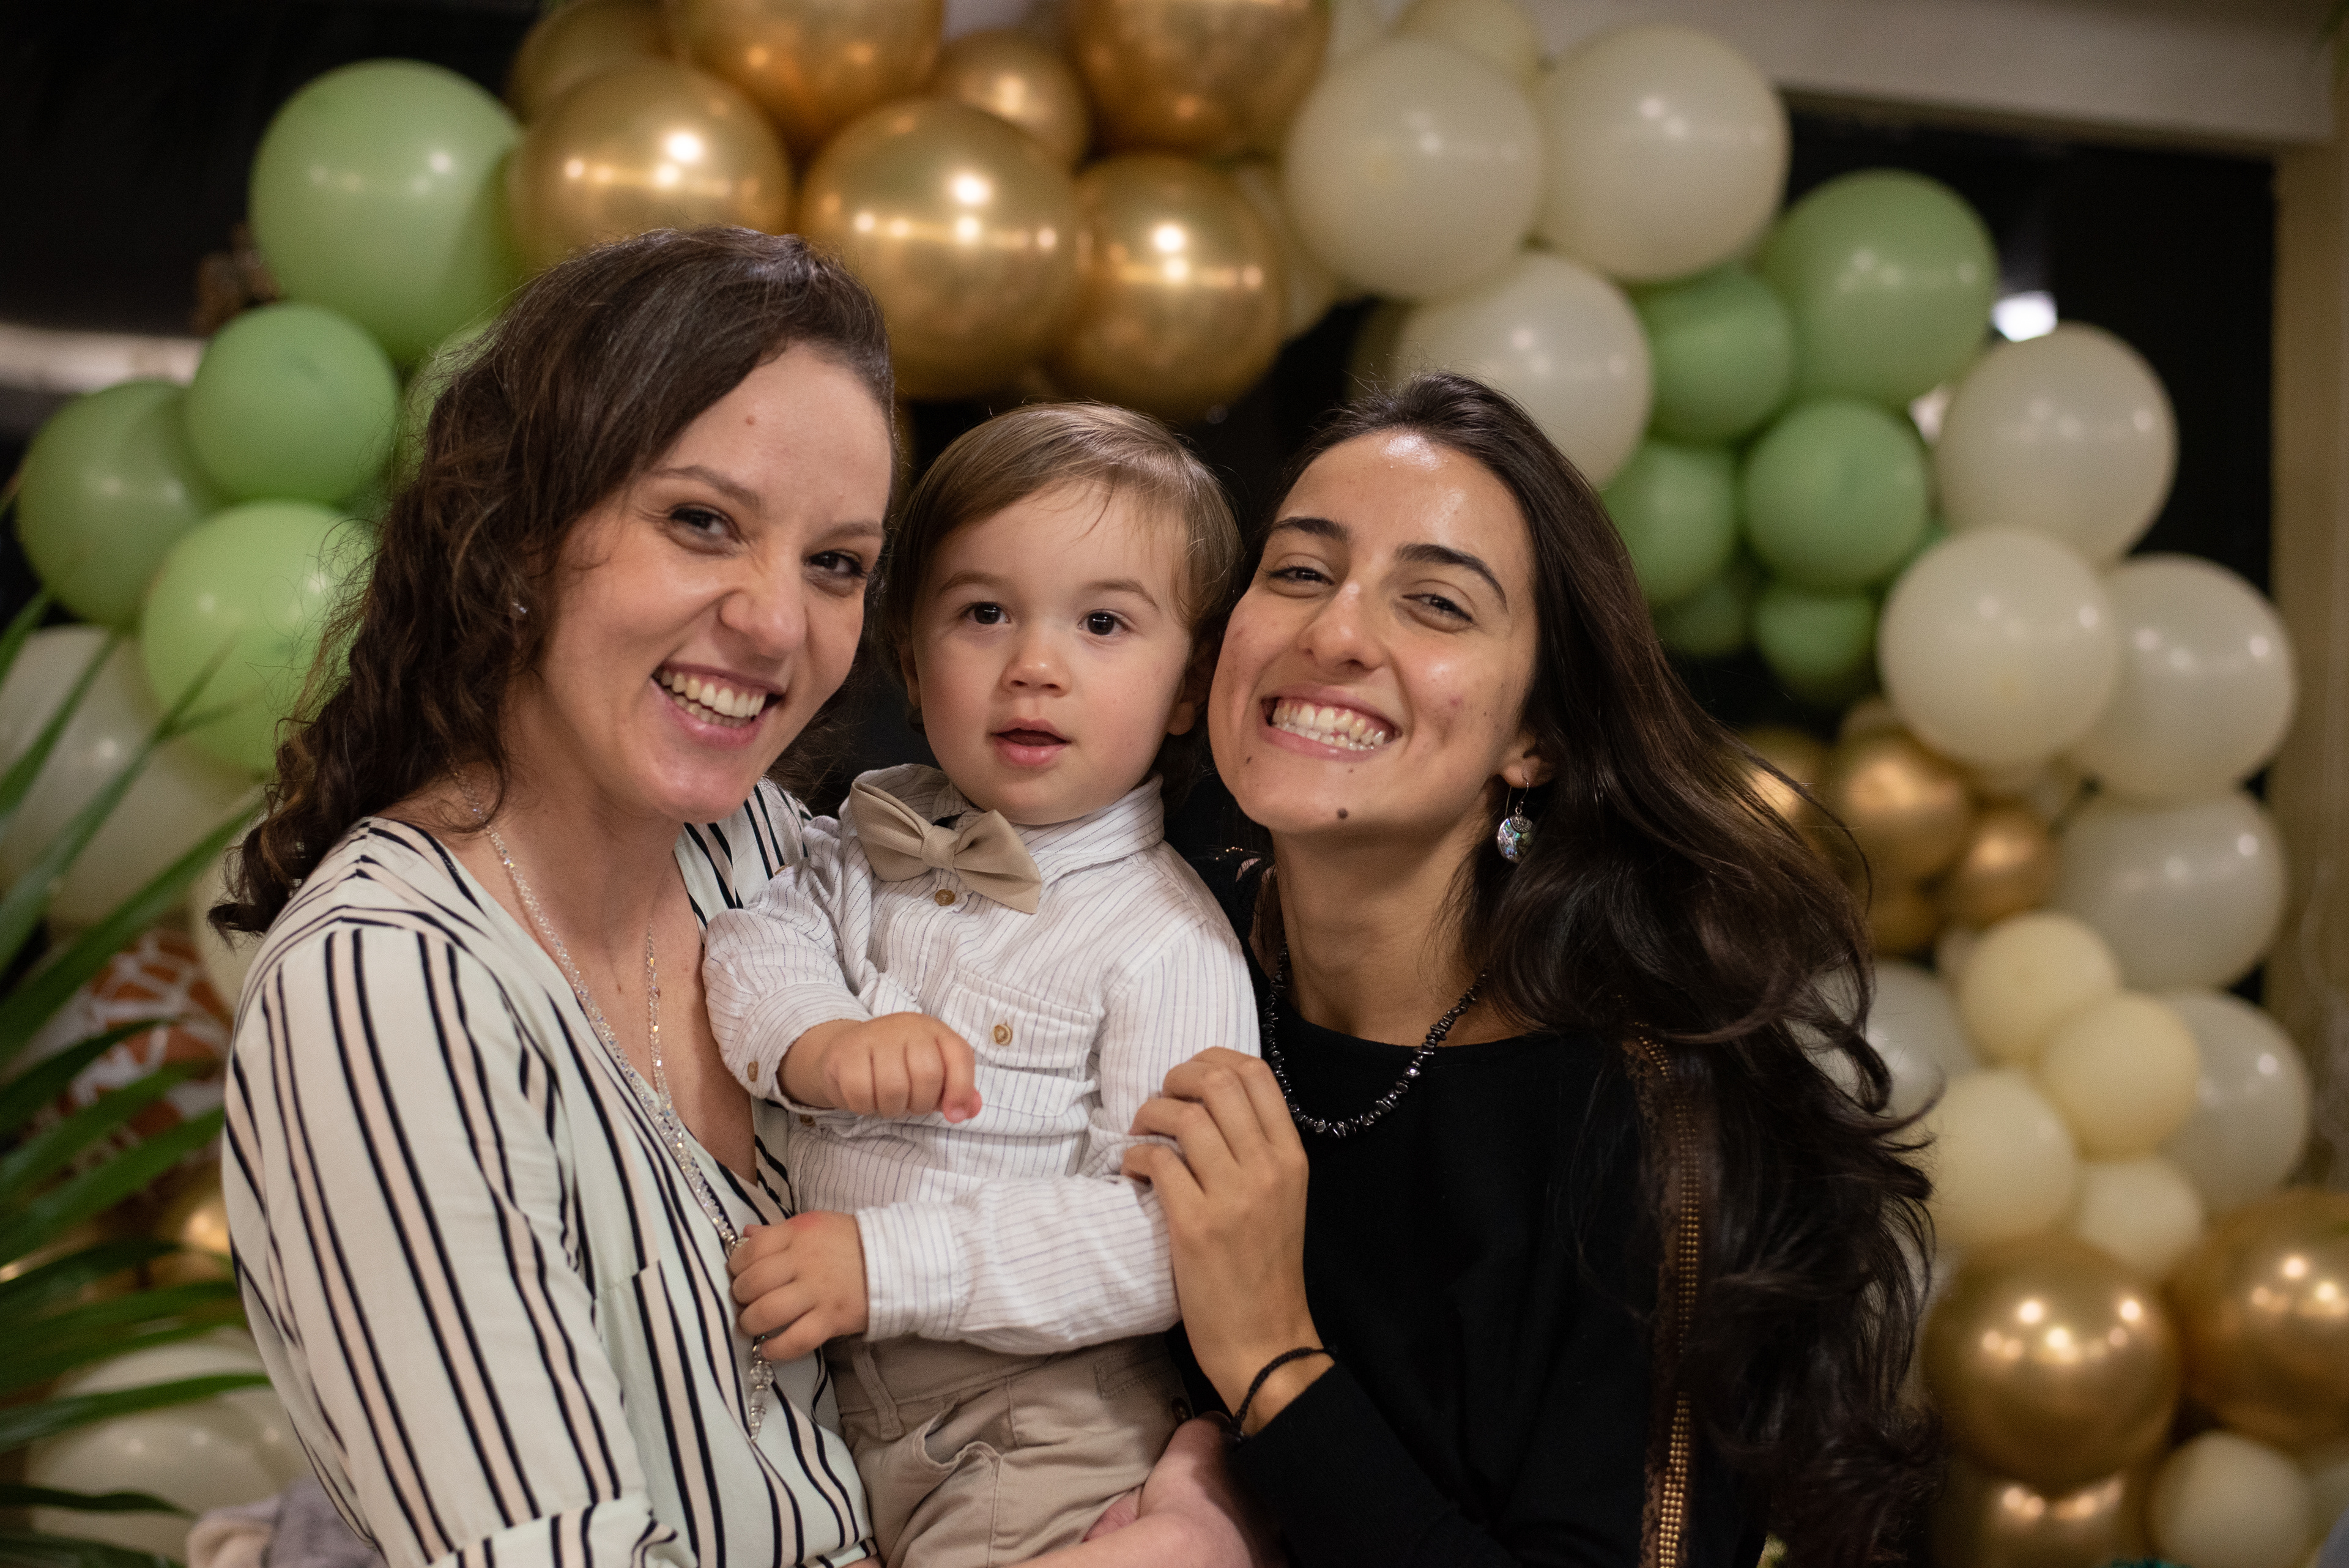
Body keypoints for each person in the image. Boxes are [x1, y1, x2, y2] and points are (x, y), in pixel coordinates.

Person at [214, 228, 1269, 1568]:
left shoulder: (767, 850)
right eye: (702, 522)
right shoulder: (386, 990)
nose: (775, 623)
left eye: (835, 563)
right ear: (519, 533)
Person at [1123, 373, 1940, 1568]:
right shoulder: (1146, 958)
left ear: (1534, 739)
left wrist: (1272, 1361)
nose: (1335, 633)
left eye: (1437, 603)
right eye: (1298, 570)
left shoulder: (1647, 1127)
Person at [702, 404, 1258, 1568]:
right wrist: (818, 1037)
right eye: (984, 613)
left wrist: (887, 1266)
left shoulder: (1166, 943)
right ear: (911, 658)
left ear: (1188, 683)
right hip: (833, 1403)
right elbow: (752, 942)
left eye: (1102, 623)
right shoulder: (866, 847)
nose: (1034, 667)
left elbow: (1163, 1239)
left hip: (1038, 1419)